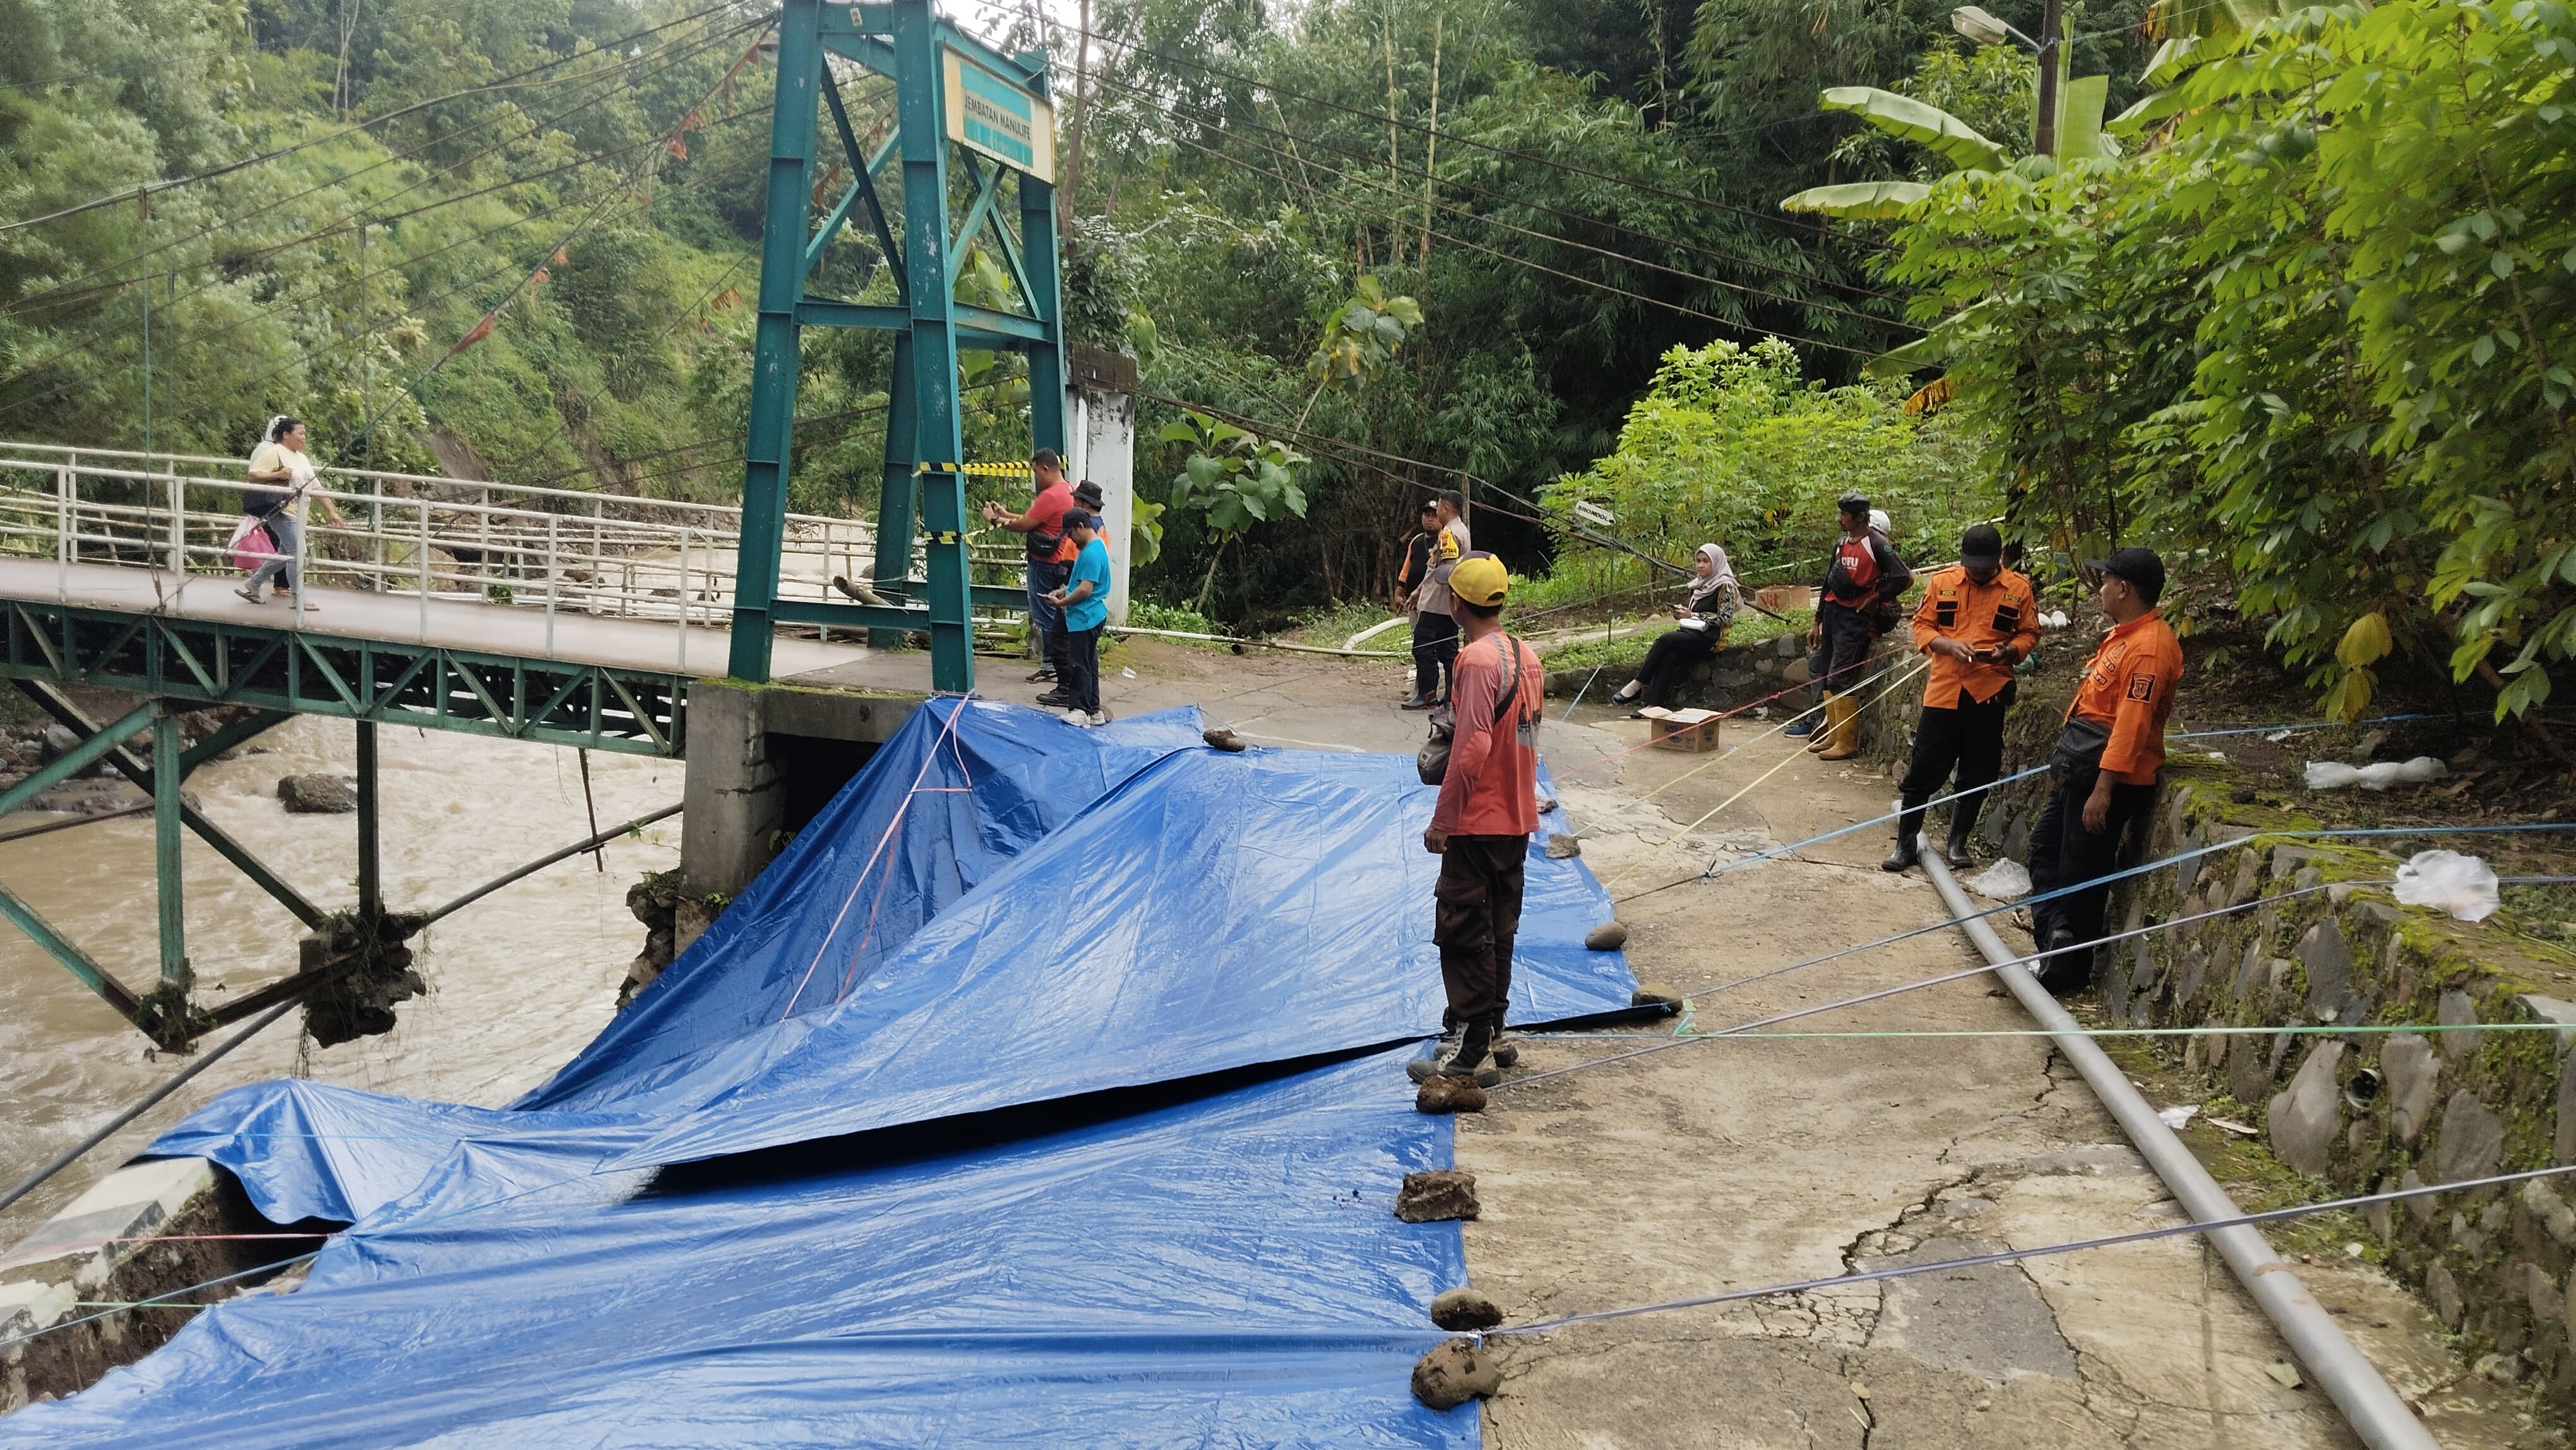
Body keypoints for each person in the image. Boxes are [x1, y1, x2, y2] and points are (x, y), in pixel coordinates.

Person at [2023, 547, 2183, 992]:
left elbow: (2131, 724)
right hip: (2083, 765)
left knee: (2081, 873)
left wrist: (2104, 789)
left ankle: (2069, 969)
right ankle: (2054, 944)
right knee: (2045, 850)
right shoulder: (2126, 635)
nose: (2102, 589)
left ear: (2124, 588)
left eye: (2107, 580)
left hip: (2108, 777)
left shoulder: (2149, 648)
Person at [1410, 552, 1543, 1084]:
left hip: (1477, 817)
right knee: (1500, 925)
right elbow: (1527, 737)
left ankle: (1469, 1043)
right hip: (1516, 814)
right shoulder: (1525, 655)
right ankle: (1495, 1023)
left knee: (1465, 926)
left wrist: (1444, 820)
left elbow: (1470, 749)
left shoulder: (1475, 662)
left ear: (1458, 603)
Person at [1883, 524, 2039, 872]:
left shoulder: (2018, 589)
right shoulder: (1943, 583)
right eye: (1973, 565)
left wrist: (2009, 652)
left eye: (1985, 566)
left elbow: (2030, 632)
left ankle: (1958, 841)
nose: (1978, 572)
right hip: (1945, 690)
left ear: (1998, 559)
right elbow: (1922, 626)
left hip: (1990, 691)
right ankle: (1906, 843)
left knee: (1978, 770)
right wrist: (1949, 645)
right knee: (1924, 768)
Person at [1787, 492, 1911, 761]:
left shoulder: (1877, 544)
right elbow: (1828, 583)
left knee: (1840, 677)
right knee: (1822, 668)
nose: (1840, 519)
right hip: (1833, 612)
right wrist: (1817, 620)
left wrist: (1876, 598)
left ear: (1859, 517)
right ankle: (1833, 734)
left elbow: (1903, 577)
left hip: (1854, 618)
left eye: (1844, 515)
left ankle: (1847, 741)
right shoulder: (1841, 544)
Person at [983, 449, 1075, 697]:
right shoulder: (1066, 490)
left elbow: (1025, 525)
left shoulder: (1050, 496)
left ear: (1045, 469)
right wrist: (1005, 514)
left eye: (1035, 472)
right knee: (1053, 612)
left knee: (1044, 614)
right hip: (1058, 560)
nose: (1035, 477)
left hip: (1044, 561)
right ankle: (1053, 664)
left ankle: (1051, 665)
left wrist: (994, 520)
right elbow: (1035, 519)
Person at [1608, 544, 1739, 714]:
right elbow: (1695, 613)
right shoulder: (1699, 585)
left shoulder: (1726, 586)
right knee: (1669, 656)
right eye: (1698, 561)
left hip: (1710, 638)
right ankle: (1653, 705)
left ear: (1717, 562)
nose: (1701, 565)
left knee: (1665, 640)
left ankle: (1638, 683)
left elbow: (1725, 618)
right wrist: (1682, 614)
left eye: (1706, 561)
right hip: (1691, 633)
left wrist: (1692, 615)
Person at [234, 416, 345, 611]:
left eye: (305, 434)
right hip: (281, 510)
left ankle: (254, 583)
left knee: (285, 554)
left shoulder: (302, 458)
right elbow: (253, 475)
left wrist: (331, 511)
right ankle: (298, 598)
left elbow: (315, 486)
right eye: (300, 433)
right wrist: (277, 475)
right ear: (286, 435)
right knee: (297, 553)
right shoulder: (274, 452)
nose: (304, 438)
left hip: (300, 512)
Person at [1404, 490, 1472, 711]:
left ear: (1445, 509)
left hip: (1437, 603)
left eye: (1439, 508)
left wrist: (1426, 592)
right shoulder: (1463, 530)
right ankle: (1452, 696)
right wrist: (1418, 591)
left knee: (1423, 647)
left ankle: (1427, 694)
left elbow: (1446, 571)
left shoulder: (1449, 534)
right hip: (1448, 604)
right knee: (1448, 651)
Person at [1045, 510, 1114, 726]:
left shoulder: (1092, 553)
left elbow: (1085, 589)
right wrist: (1063, 591)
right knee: (1089, 663)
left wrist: (1062, 603)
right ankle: (1094, 710)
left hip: (1085, 617)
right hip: (1086, 616)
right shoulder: (1092, 549)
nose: (1070, 539)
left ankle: (1080, 710)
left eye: (1071, 533)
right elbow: (1079, 583)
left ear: (1081, 527)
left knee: (1079, 665)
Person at [1395, 500, 1441, 708]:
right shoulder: (1417, 541)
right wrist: (1399, 591)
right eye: (1426, 515)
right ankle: (1419, 687)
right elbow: (1407, 568)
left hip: (1432, 602)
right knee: (1418, 644)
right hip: (1414, 602)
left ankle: (1430, 689)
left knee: (1430, 647)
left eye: (1434, 515)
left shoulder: (1445, 542)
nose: (1430, 519)